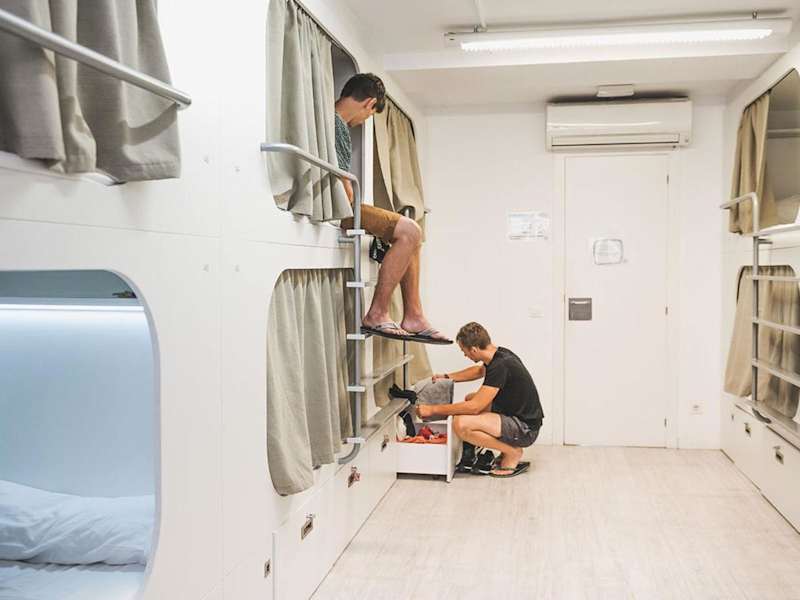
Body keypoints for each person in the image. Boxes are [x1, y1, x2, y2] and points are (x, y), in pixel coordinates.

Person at [334, 73, 450, 345]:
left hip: (344, 205)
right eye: (370, 113)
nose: (366, 119)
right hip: (341, 209)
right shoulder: (336, 125)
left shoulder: (333, 123)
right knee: (410, 231)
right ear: (370, 103)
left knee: (413, 236)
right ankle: (377, 313)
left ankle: (414, 315)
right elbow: (345, 193)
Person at [416, 322, 543, 477]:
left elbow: (474, 407)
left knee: (461, 424)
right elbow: (478, 371)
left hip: (525, 429)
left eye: (464, 351)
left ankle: (512, 452)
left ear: (474, 349)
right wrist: (447, 376)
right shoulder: (499, 354)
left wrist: (432, 410)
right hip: (518, 416)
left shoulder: (500, 365)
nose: (465, 355)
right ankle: (489, 449)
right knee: (470, 398)